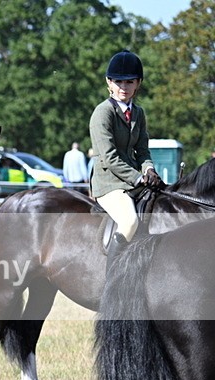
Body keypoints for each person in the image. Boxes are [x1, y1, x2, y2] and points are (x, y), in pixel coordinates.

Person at [89, 49, 163, 271]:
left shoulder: (138, 113)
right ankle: (114, 271)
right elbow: (109, 157)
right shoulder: (103, 113)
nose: (123, 87)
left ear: (138, 83)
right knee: (130, 221)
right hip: (109, 183)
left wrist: (149, 169)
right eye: (118, 81)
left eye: (129, 82)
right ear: (109, 83)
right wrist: (138, 178)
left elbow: (142, 150)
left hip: (133, 180)